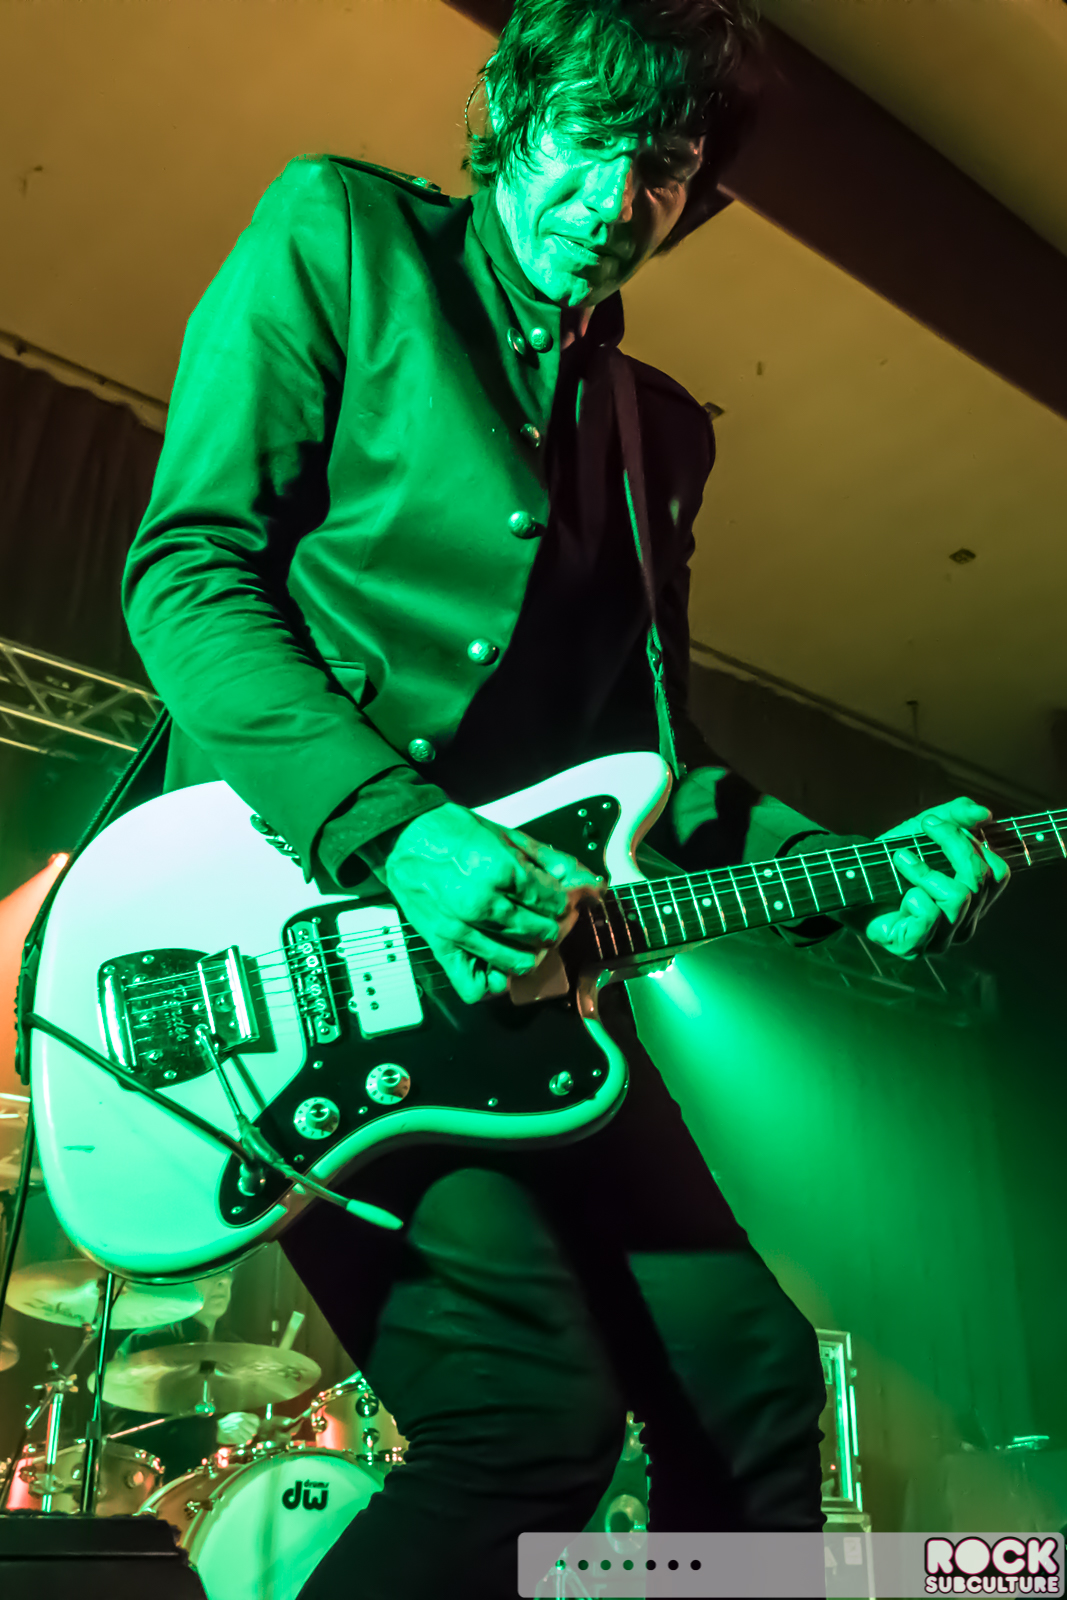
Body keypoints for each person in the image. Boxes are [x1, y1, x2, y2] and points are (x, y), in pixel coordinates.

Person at [120, 1, 1009, 1591]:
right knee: (525, 1421)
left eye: (660, 165)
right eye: (587, 138)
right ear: (509, 119)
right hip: (303, 952)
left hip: (536, 997)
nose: (614, 199)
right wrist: (401, 833)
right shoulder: (343, 236)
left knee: (753, 1394)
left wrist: (860, 873)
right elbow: (188, 576)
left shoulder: (654, 435)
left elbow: (663, 765)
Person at [106, 1270, 260, 1481]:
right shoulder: (146, 1344)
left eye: (228, 1274)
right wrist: (211, 1433)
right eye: (211, 1274)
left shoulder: (237, 1350)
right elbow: (124, 1432)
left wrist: (263, 1431)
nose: (223, 1281)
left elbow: (236, 1430)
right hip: (157, 1487)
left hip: (220, 1485)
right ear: (184, 1280)